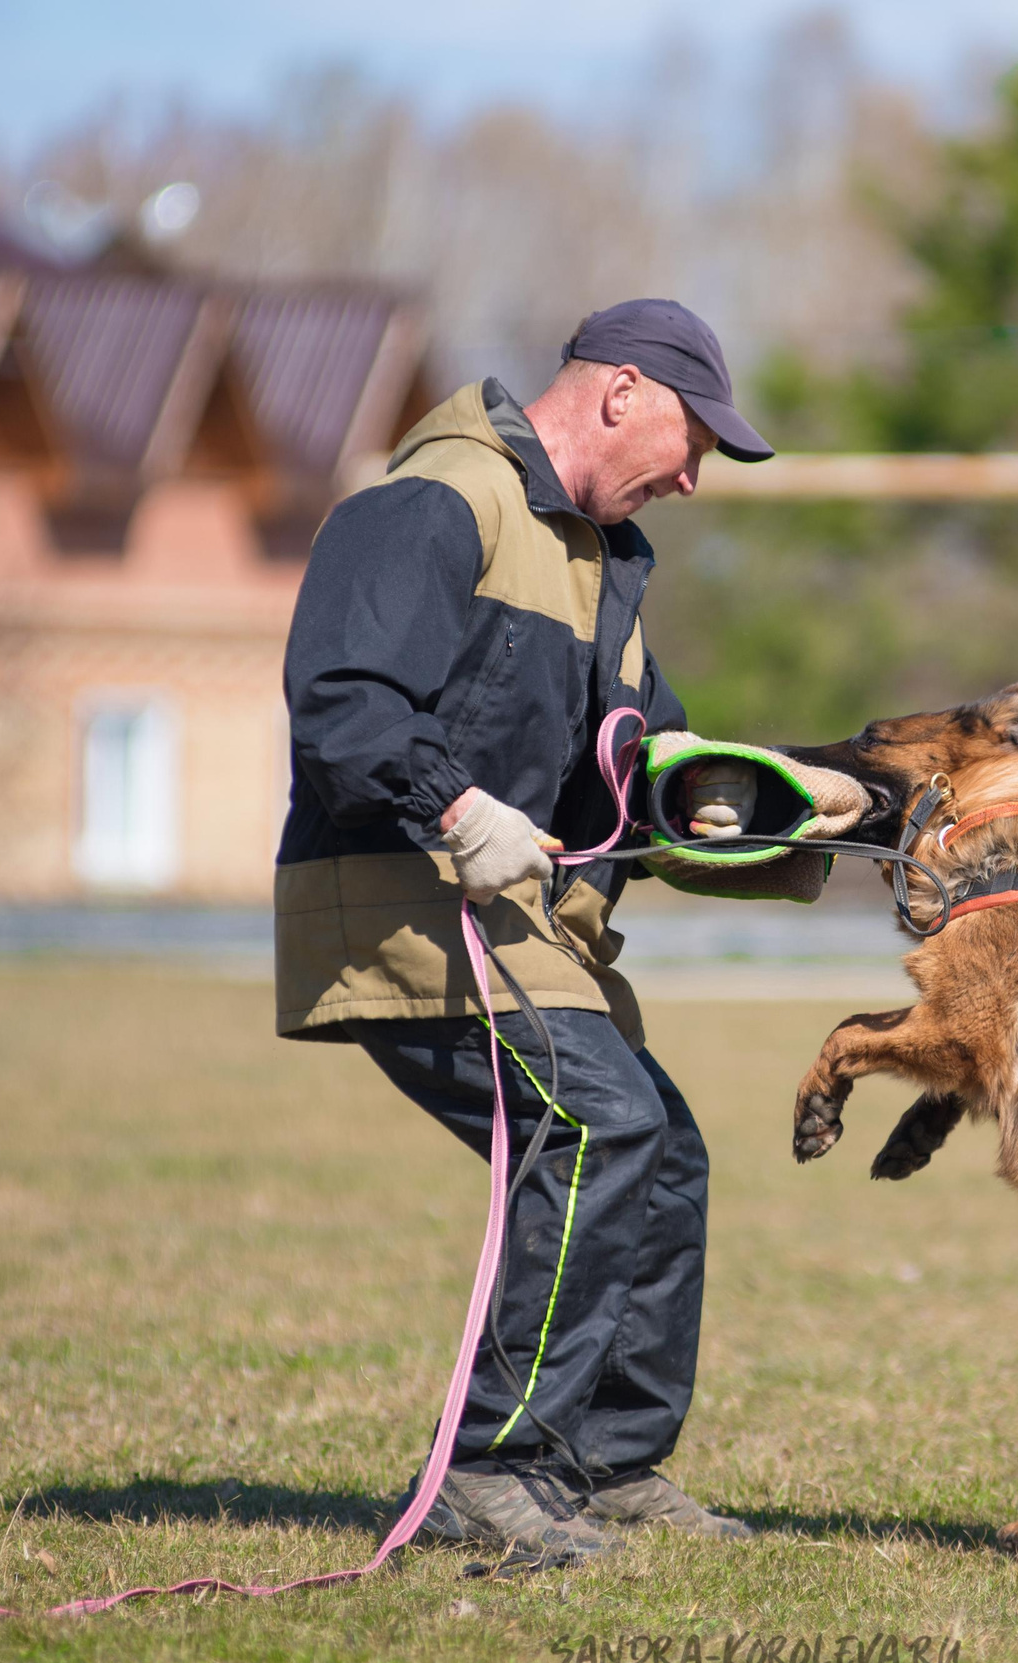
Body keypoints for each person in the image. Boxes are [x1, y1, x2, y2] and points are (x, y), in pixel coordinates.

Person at [274, 299, 774, 1568]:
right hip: (397, 904)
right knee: (598, 1117)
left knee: (662, 1151)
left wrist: (780, 801)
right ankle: (487, 1467)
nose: (697, 475)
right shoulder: (437, 502)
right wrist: (452, 802)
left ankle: (604, 1464)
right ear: (617, 394)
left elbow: (641, 771)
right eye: (693, 437)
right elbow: (341, 703)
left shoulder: (605, 565)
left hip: (509, 922)